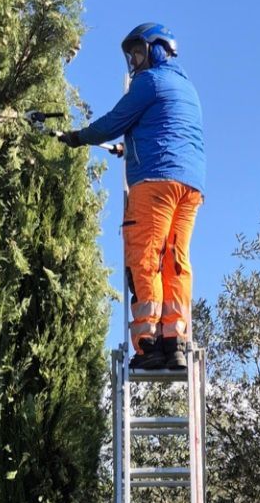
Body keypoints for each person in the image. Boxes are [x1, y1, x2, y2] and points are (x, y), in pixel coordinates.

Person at [59, 22, 205, 372]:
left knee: (145, 256)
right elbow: (165, 130)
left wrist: (78, 137)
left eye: (139, 52)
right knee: (175, 260)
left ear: (158, 49)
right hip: (189, 185)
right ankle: (175, 342)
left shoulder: (149, 81)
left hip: (154, 183)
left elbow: (115, 121)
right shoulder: (186, 88)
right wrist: (129, 148)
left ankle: (148, 344)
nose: (135, 61)